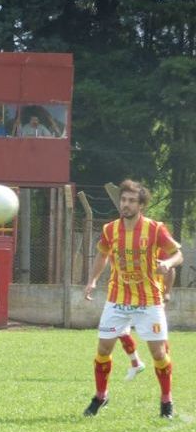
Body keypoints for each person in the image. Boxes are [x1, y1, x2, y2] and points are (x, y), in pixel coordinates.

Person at [82, 179, 182, 419]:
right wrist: (93, 280)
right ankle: (100, 396)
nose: (125, 205)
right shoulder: (109, 230)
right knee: (103, 349)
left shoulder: (155, 229)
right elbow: (102, 256)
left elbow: (177, 254)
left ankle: (166, 400)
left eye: (131, 201)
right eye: (123, 200)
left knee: (158, 354)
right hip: (117, 298)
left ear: (141, 205)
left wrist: (167, 263)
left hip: (149, 299)